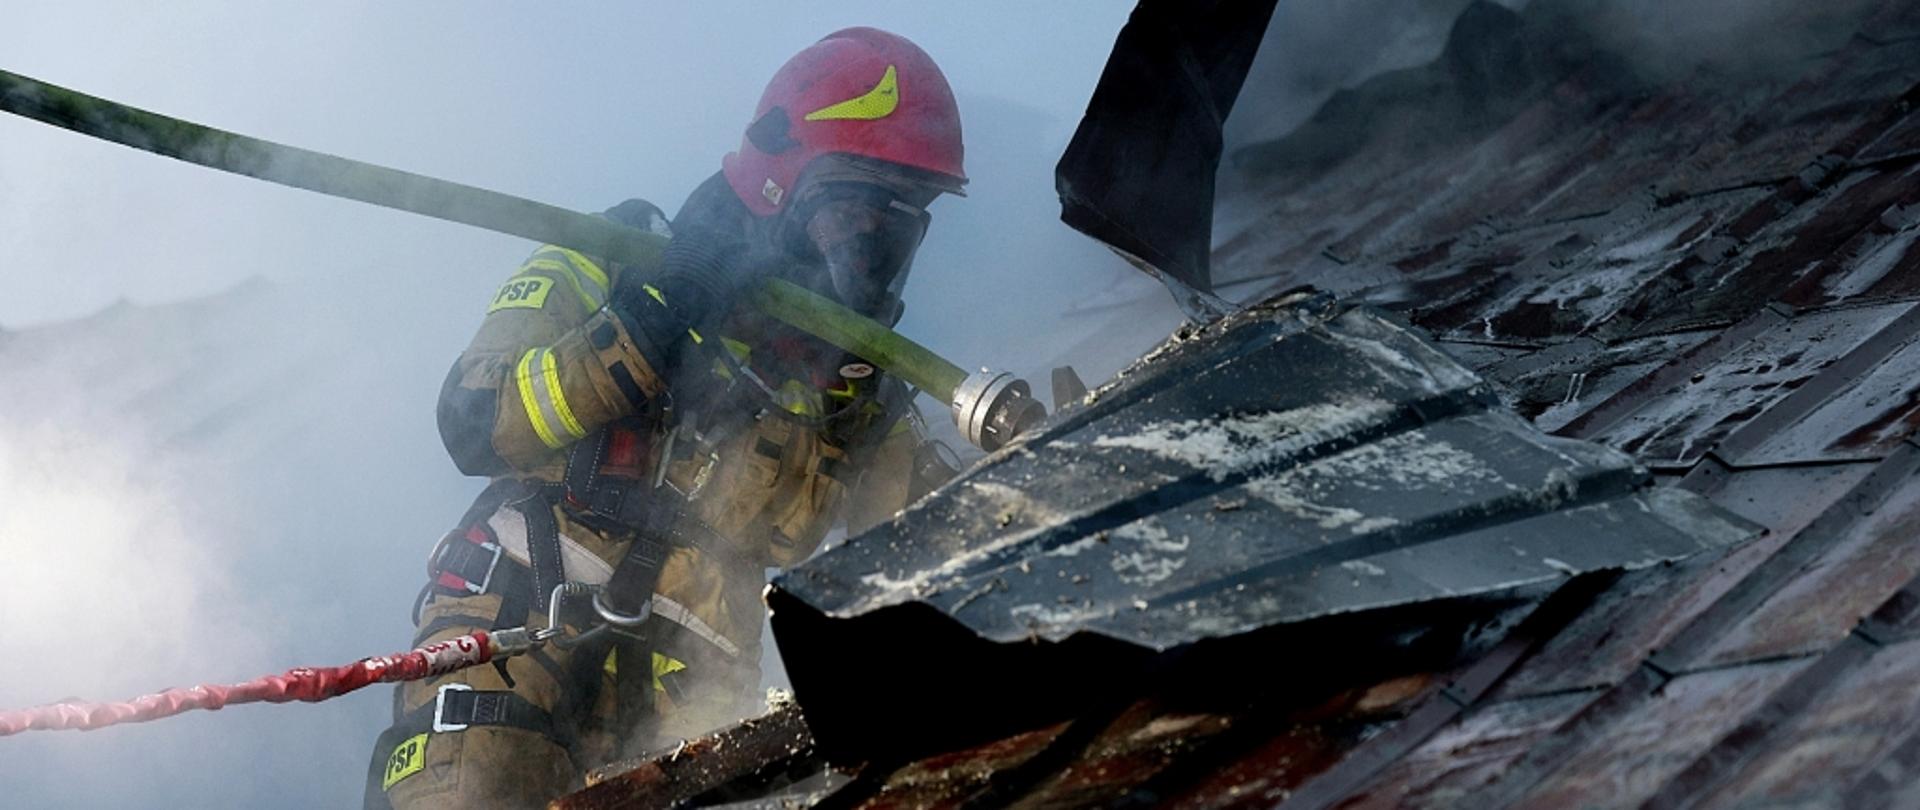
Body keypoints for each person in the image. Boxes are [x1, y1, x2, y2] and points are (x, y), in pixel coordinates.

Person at [365, 27, 966, 809]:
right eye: (849, 212)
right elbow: (472, 422)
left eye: (896, 223)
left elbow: (936, 541)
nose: (865, 247)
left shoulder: (855, 389)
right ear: (778, 185)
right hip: (514, 635)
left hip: (695, 709)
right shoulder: (612, 258)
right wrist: (648, 321)